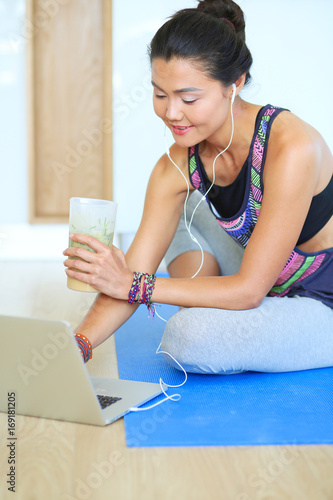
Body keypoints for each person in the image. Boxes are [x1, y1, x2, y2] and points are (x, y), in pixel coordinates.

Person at [63, 0, 333, 374]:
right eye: (160, 94)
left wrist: (137, 285)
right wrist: (77, 345)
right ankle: (213, 297)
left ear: (234, 84)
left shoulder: (291, 147)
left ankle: (215, 303)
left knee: (188, 338)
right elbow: (134, 272)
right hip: (268, 281)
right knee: (179, 210)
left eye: (189, 98)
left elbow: (249, 289)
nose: (172, 113)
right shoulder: (176, 164)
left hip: (320, 299)